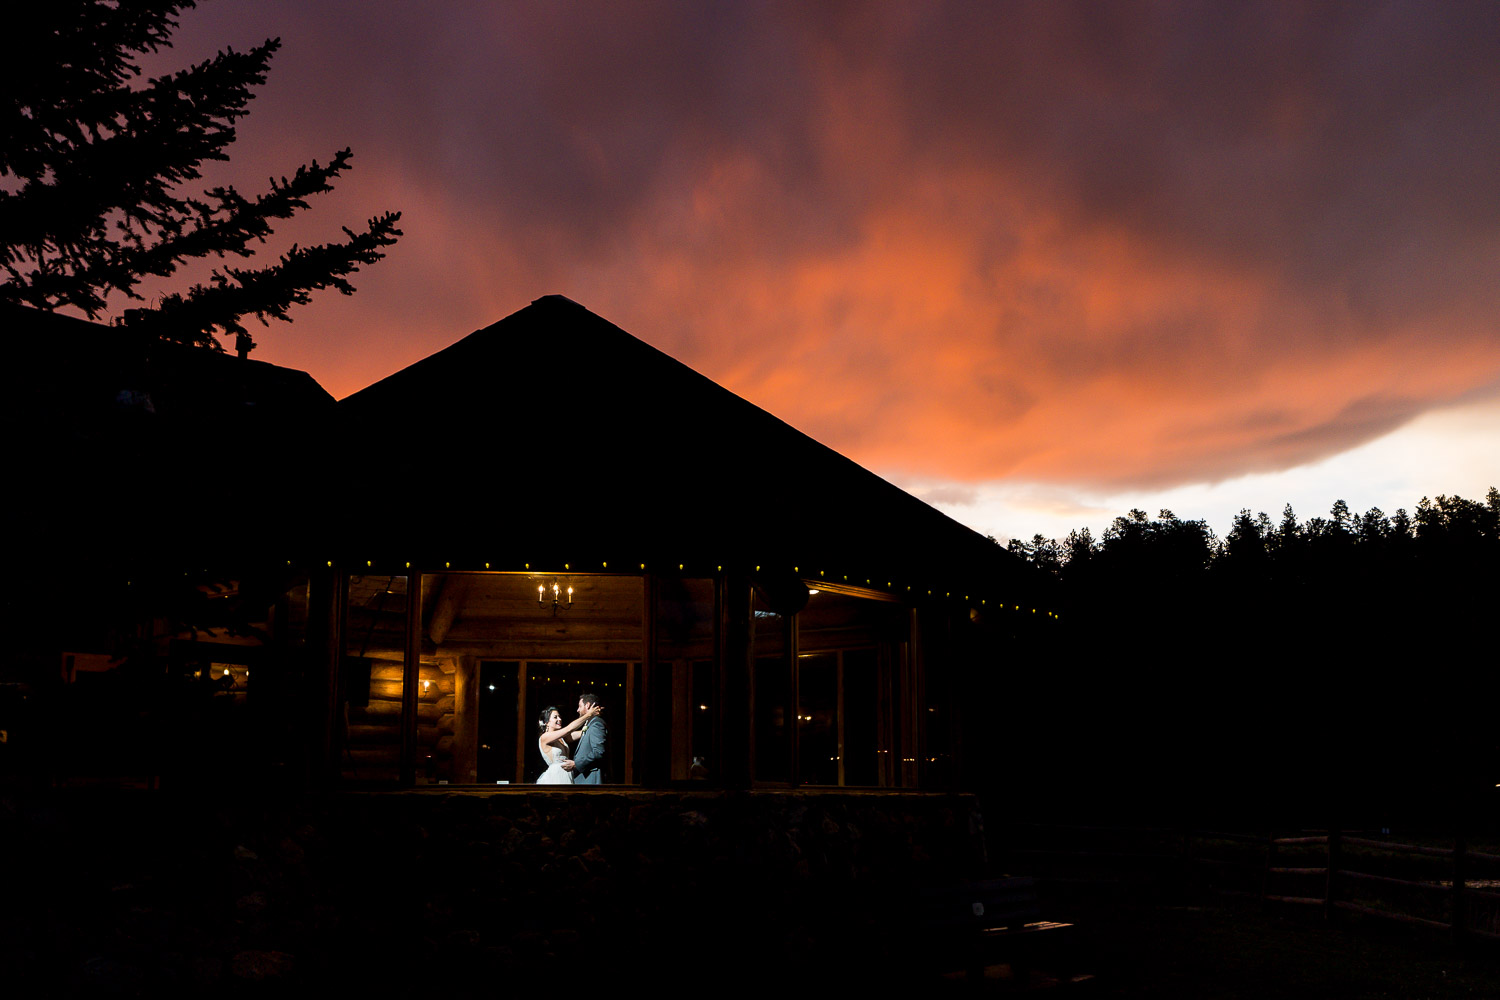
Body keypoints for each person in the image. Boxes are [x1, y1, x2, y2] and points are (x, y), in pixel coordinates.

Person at [536, 702, 600, 785]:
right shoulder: (545, 737)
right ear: (546, 722)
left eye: (559, 716)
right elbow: (569, 729)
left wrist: (592, 722)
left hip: (567, 774)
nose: (559, 719)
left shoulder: (562, 738)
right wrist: (589, 714)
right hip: (555, 776)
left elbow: (583, 732)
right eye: (555, 717)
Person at [561, 691, 607, 784]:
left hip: (591, 778)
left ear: (588, 705)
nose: (577, 710)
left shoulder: (596, 724)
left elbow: (598, 752)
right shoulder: (590, 724)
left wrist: (576, 764)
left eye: (580, 706)